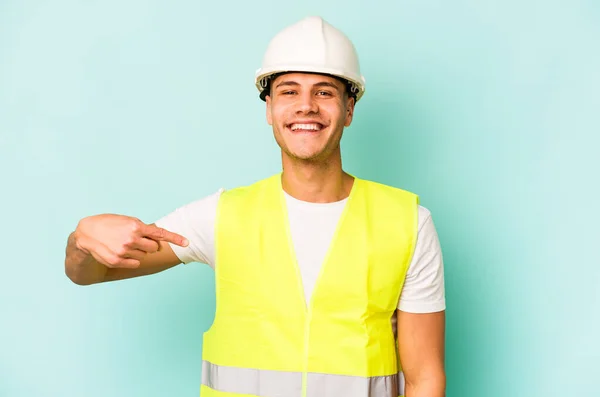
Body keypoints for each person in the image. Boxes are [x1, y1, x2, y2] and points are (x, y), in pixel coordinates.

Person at [64, 16, 446, 397]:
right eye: (289, 91)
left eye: (325, 92)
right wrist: (81, 241)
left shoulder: (407, 223)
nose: (306, 106)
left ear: (349, 109)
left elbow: (424, 378)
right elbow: (90, 273)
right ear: (269, 110)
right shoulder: (220, 217)